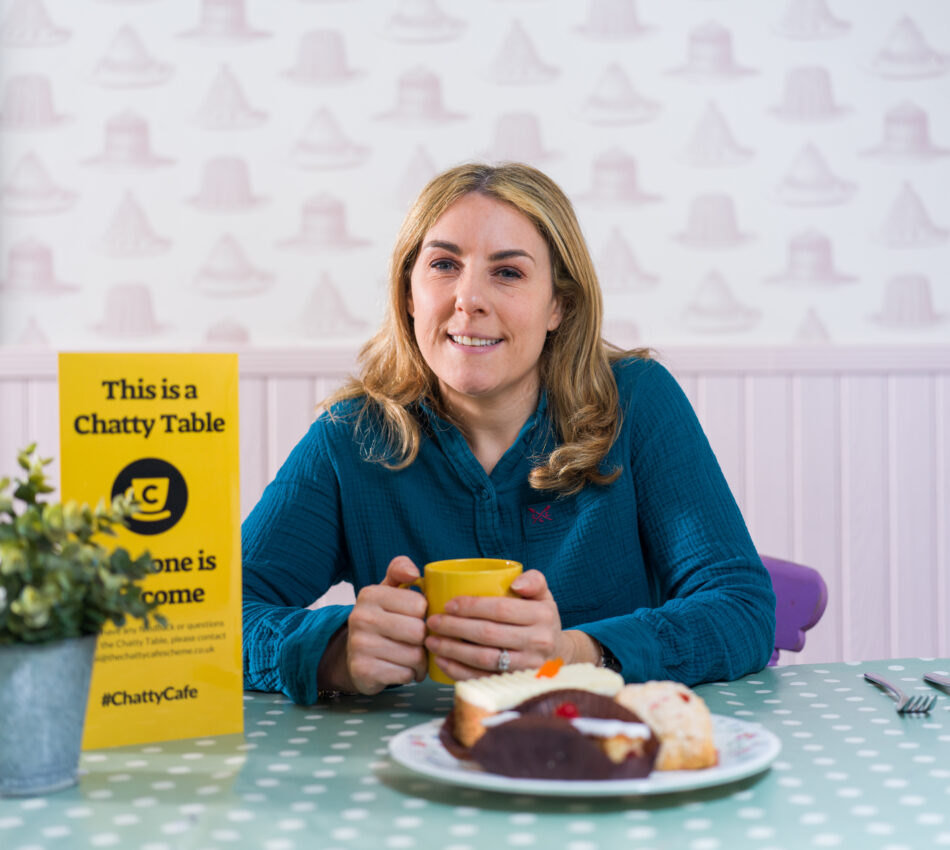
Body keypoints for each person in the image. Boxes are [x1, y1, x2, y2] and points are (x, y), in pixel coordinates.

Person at [242, 162, 775, 704]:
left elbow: (741, 608)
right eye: (444, 265)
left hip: (609, 746)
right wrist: (332, 651)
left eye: (509, 273)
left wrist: (573, 653)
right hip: (412, 752)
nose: (469, 298)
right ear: (408, 294)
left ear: (558, 305)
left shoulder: (638, 402)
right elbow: (211, 616)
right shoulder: (349, 437)